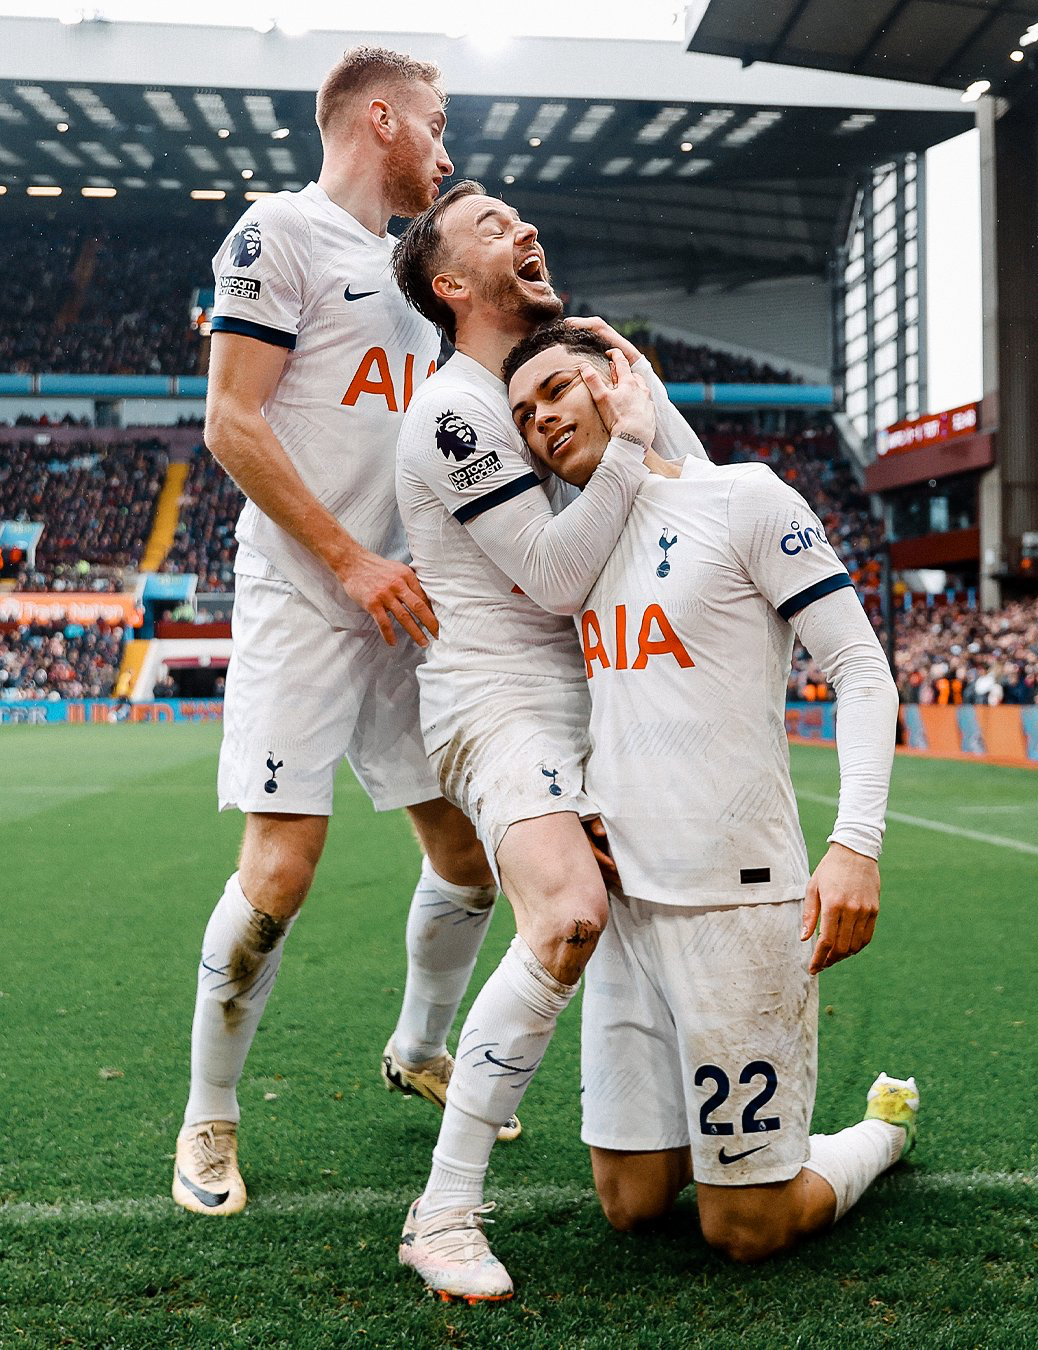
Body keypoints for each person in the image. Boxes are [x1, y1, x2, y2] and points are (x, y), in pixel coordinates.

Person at [173, 48, 508, 1221]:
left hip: (401, 603)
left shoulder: (421, 273)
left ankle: (421, 1047)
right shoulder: (280, 233)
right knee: (279, 875)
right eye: (435, 123)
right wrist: (351, 559)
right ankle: (208, 1118)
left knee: (470, 859)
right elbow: (230, 421)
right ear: (380, 118)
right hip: (308, 597)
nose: (447, 149)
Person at [503, 322, 918, 1262]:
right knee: (631, 1204)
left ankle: (880, 1132)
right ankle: (733, 1132)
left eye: (557, 391)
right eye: (524, 416)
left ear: (617, 378)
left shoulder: (746, 499)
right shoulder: (572, 552)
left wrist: (857, 842)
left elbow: (860, 668)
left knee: (744, 1229)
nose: (542, 422)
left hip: (736, 906)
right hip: (625, 908)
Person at [391, 182, 705, 1299]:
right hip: (499, 706)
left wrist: (646, 408)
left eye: (524, 219)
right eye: (492, 228)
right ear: (450, 285)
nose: (524, 231)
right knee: (569, 910)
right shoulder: (456, 410)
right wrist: (628, 436)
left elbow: (697, 503)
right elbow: (558, 573)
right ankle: (443, 1213)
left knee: (648, 930)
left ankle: (730, 1151)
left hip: (606, 700)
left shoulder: (546, 384)